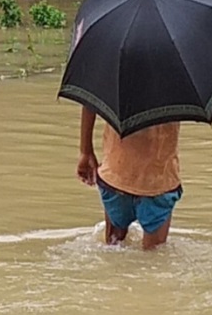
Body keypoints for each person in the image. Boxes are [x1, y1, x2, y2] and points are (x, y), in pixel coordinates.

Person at [75, 107, 183, 249]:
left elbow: (90, 100)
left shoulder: (114, 84)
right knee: (154, 257)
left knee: (113, 247)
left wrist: (86, 151)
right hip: (158, 181)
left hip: (116, 176)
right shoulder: (177, 86)